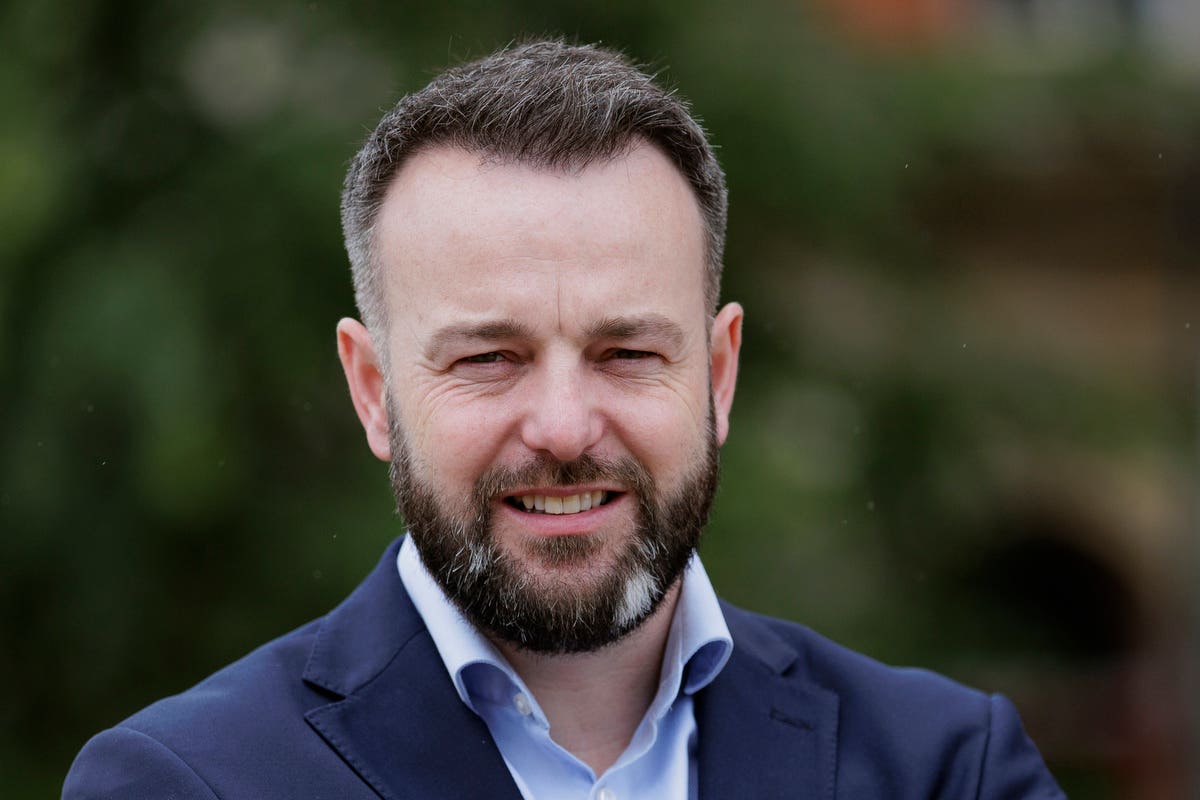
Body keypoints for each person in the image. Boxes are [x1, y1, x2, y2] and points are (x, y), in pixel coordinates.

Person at [63, 40, 1064, 799]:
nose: (564, 425)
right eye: (488, 358)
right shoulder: (188, 781)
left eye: (627, 352)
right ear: (373, 390)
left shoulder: (947, 768)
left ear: (718, 374)